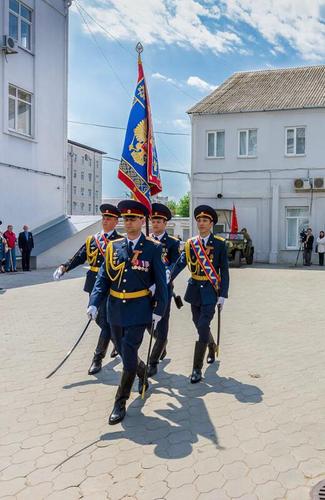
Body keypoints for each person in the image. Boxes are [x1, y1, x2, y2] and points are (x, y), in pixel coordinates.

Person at [87, 200, 168, 425]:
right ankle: (142, 375)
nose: (128, 222)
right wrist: (94, 303)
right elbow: (103, 278)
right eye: (126, 218)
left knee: (129, 355)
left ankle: (120, 401)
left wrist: (159, 310)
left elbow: (161, 283)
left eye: (133, 218)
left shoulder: (153, 248)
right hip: (114, 311)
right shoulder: (114, 246)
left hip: (138, 310)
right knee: (124, 353)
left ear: (143, 221)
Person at [53, 204, 122, 375]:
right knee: (98, 319)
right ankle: (118, 340)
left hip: (112, 285)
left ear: (116, 221)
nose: (105, 221)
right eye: (104, 218)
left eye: (109, 218)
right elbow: (79, 256)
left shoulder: (120, 240)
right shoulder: (93, 240)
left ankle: (97, 358)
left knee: (105, 322)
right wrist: (64, 267)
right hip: (94, 285)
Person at [171, 205, 229, 383]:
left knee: (203, 325)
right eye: (199, 220)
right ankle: (211, 346)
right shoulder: (190, 244)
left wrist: (223, 294)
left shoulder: (219, 243)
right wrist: (166, 278)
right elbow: (180, 264)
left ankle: (196, 369)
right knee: (198, 323)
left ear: (211, 223)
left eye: (205, 220)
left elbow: (224, 271)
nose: (201, 223)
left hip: (211, 291)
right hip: (194, 290)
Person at [147, 203, 180, 377]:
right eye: (154, 220)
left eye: (159, 221)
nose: (156, 223)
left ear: (165, 223)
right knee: (147, 323)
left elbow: (175, 263)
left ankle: (153, 362)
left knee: (163, 325)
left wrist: (165, 276)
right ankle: (162, 343)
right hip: (146, 290)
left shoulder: (173, 243)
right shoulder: (146, 240)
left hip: (164, 289)